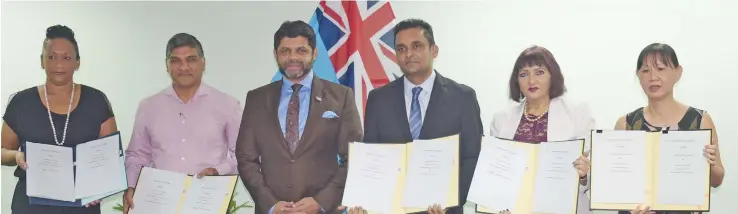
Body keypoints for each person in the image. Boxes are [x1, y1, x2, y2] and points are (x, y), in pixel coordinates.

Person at [236, 20, 363, 214]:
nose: (293, 57)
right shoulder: (256, 99)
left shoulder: (341, 96)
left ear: (314, 53)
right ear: (275, 54)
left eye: (301, 50)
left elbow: (354, 158)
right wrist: (270, 204)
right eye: (285, 51)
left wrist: (321, 202)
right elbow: (246, 158)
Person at [359, 18, 483, 214]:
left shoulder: (463, 97)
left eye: (417, 46)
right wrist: (363, 199)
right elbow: (372, 156)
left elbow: (472, 157)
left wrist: (450, 200)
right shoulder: (378, 99)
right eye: (401, 48)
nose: (408, 54)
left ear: (434, 50)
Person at [0, 25, 116, 214]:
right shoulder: (21, 102)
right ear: (41, 61)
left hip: (82, 205)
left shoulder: (96, 100)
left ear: (78, 63)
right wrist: (16, 156)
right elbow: (2, 151)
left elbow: (110, 157)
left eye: (67, 57)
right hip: (30, 205)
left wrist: (101, 187)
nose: (58, 64)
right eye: (51, 57)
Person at [122, 33, 242, 214]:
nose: (184, 67)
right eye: (176, 60)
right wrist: (131, 186)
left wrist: (218, 170)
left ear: (203, 63)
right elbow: (137, 155)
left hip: (208, 203)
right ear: (167, 65)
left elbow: (242, 155)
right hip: (159, 205)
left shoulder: (227, 105)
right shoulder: (149, 107)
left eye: (191, 59)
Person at [614, 43, 725, 214]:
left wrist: (708, 165)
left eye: (660, 68)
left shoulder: (700, 121)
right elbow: (619, 180)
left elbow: (717, 180)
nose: (653, 77)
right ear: (638, 75)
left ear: (678, 73)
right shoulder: (627, 124)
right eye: (645, 71)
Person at [489, 46, 593, 213]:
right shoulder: (501, 119)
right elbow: (495, 173)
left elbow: (592, 172)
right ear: (516, 81)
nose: (531, 81)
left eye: (539, 72)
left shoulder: (577, 113)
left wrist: (584, 175)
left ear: (553, 75)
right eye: (524, 74)